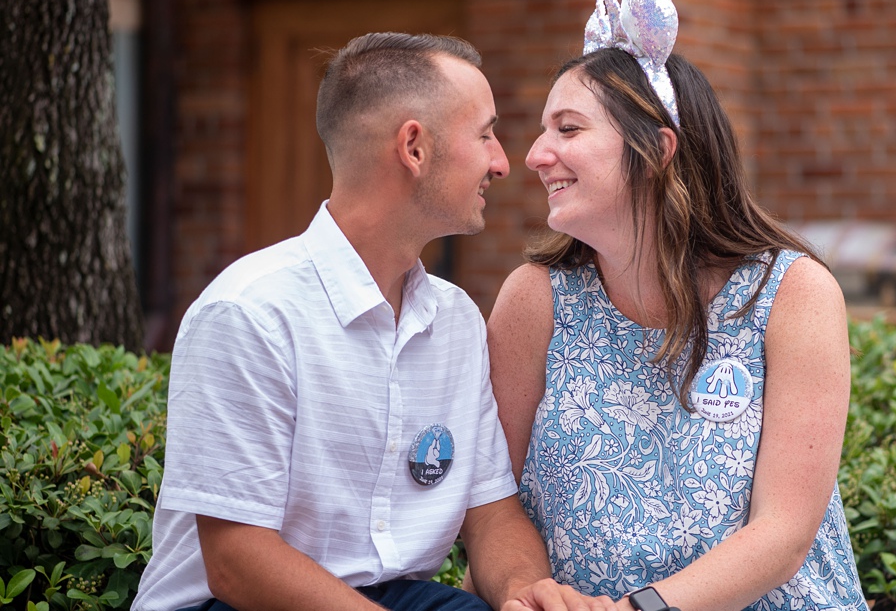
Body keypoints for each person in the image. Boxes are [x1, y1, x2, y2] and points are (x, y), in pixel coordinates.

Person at [133, 33, 606, 611]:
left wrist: (522, 594)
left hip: (398, 598)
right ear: (414, 147)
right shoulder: (250, 313)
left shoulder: (455, 321)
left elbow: (491, 512)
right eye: (484, 134)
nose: (503, 162)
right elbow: (236, 561)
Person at [488, 0, 870, 611]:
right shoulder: (535, 300)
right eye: (541, 131)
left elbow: (783, 535)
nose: (534, 156)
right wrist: (531, 596)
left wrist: (642, 609)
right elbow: (495, 499)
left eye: (569, 129)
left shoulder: (793, 293)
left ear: (655, 151)